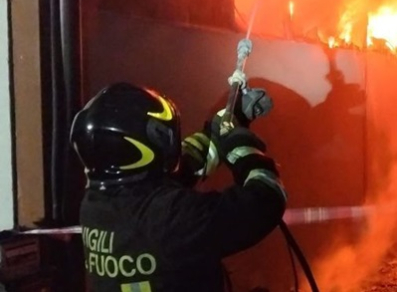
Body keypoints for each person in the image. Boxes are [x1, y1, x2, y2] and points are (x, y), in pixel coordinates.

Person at [71, 82, 286, 292]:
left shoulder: (96, 205)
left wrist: (224, 124)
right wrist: (243, 149)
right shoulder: (169, 217)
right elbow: (264, 202)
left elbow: (180, 169)